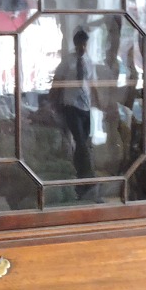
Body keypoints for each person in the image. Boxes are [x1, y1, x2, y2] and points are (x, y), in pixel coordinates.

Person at [50, 27, 97, 199]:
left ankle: (80, 178)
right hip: (70, 106)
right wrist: (52, 102)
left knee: (83, 142)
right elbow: (57, 82)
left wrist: (100, 104)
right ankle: (88, 179)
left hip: (85, 106)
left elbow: (91, 83)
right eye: (79, 44)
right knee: (80, 142)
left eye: (85, 44)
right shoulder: (67, 62)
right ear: (75, 43)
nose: (82, 47)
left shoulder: (89, 61)